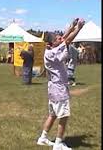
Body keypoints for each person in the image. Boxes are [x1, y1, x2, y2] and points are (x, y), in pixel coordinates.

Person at [36, 18, 85, 150]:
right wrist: (78, 28)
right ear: (51, 43)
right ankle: (58, 143)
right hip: (59, 89)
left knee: (52, 115)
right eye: (57, 39)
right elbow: (67, 40)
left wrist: (71, 26)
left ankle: (43, 138)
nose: (61, 39)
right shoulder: (53, 52)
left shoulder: (51, 49)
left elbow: (63, 38)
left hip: (53, 88)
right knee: (64, 115)